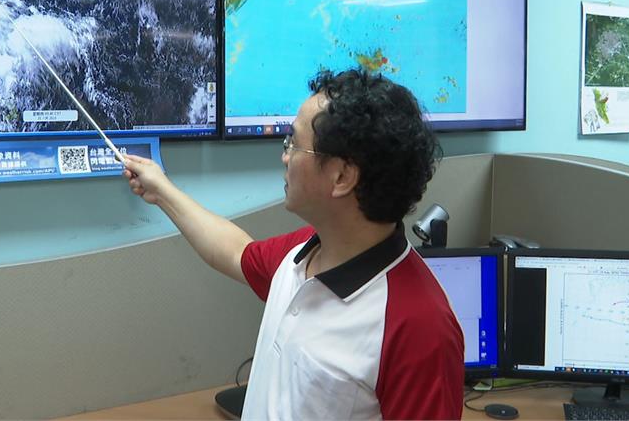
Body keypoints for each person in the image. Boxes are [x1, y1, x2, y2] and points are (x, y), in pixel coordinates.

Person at [122, 68, 463, 420]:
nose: (284, 156)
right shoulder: (305, 252)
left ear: (342, 177)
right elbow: (235, 251)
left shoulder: (420, 326)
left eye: (293, 144)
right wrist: (161, 190)